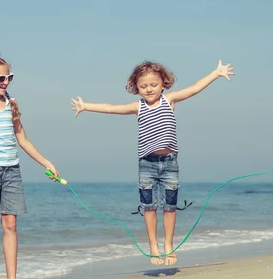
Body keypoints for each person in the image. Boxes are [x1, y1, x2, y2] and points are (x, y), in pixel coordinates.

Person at [71, 60, 234, 265]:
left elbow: (194, 89)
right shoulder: (137, 106)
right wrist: (86, 106)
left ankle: (168, 245)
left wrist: (216, 73)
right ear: (136, 87)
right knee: (149, 207)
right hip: (146, 164)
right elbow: (112, 108)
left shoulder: (170, 100)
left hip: (169, 163)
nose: (149, 89)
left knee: (170, 207)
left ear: (163, 84)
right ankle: (153, 246)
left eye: (153, 85)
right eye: (143, 86)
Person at [0, 56, 60, 279]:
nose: (6, 81)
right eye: (1, 77)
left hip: (12, 170)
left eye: (9, 77)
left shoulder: (12, 103)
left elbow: (22, 139)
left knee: (10, 225)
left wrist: (45, 162)